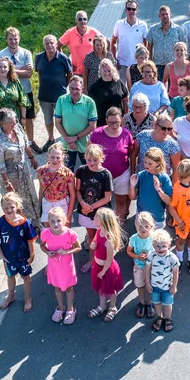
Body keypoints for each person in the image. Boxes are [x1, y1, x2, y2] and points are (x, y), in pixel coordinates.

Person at [0, 27, 41, 153]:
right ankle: (14, 143)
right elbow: (0, 73)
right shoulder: (0, 55)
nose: (13, 41)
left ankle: (31, 142)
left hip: (25, 90)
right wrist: (20, 70)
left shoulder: (26, 53)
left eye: (15, 39)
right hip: (9, 93)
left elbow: (29, 73)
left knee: (29, 118)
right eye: (10, 39)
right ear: (6, 40)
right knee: (11, 118)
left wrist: (11, 70)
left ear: (19, 38)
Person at [0, 108, 40, 225]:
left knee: (29, 196)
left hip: (24, 169)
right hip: (10, 175)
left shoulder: (18, 128)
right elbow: (0, 163)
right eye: (11, 122)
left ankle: (34, 223)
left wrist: (32, 158)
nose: (15, 123)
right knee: (15, 200)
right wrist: (6, 182)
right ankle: (17, 225)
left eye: (15, 120)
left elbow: (25, 144)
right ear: (3, 124)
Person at [0, 193, 36, 311]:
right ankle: (10, 297)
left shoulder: (25, 223)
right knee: (10, 276)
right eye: (6, 208)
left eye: (12, 207)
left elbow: (31, 240)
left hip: (23, 257)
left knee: (25, 277)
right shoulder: (0, 222)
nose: (9, 210)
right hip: (9, 258)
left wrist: (32, 255)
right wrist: (2, 256)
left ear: (17, 206)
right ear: (2, 208)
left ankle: (27, 298)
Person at [89, 107, 135, 221]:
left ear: (121, 121)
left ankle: (119, 225)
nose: (114, 125)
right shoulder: (97, 134)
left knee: (120, 202)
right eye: (111, 123)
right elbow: (89, 152)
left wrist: (132, 172)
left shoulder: (126, 134)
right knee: (100, 202)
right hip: (102, 175)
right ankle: (102, 225)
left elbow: (131, 153)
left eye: (117, 123)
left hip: (122, 174)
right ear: (106, 120)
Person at [75, 144, 114, 272]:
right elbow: (78, 190)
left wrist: (90, 207)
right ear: (85, 157)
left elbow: (107, 197)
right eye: (89, 159)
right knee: (91, 236)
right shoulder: (81, 170)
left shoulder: (105, 174)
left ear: (101, 158)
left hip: (101, 213)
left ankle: (107, 262)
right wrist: (82, 204)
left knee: (105, 237)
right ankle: (92, 260)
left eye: (95, 160)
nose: (91, 163)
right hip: (85, 210)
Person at [39, 207, 81, 324]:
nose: (55, 224)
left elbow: (78, 247)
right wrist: (48, 252)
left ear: (64, 220)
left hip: (67, 267)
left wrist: (67, 252)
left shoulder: (70, 234)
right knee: (57, 287)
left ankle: (70, 309)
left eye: (58, 221)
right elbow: (42, 245)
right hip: (54, 267)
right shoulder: (45, 233)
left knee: (68, 288)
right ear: (48, 221)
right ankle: (60, 307)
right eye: (52, 221)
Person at [87, 208, 125, 323]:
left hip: (107, 269)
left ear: (103, 221)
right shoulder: (99, 230)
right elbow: (95, 240)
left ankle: (112, 307)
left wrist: (103, 271)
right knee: (101, 288)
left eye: (96, 217)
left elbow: (109, 258)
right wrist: (93, 244)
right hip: (98, 266)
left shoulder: (109, 240)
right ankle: (102, 306)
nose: (94, 218)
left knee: (110, 289)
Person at [36, 34, 73, 151]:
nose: (49, 45)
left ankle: (64, 139)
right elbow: (38, 73)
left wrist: (64, 86)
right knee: (47, 119)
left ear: (56, 44)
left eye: (52, 42)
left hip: (60, 96)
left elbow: (70, 74)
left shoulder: (63, 58)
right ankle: (51, 138)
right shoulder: (38, 58)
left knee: (63, 119)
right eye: (47, 43)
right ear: (43, 45)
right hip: (44, 95)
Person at [167, 159, 190, 275]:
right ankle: (179, 260)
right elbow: (171, 208)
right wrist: (179, 222)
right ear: (189, 174)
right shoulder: (177, 189)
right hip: (182, 222)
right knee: (181, 241)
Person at [54, 76, 98, 169]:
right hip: (66, 144)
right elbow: (57, 122)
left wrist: (76, 138)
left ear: (82, 88)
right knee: (67, 171)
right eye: (72, 88)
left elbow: (92, 126)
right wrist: (67, 139)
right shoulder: (61, 100)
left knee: (88, 170)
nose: (74, 92)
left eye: (77, 89)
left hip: (85, 144)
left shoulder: (90, 103)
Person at [129, 148, 173, 229]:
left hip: (157, 218)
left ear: (158, 163)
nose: (146, 165)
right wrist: (132, 185)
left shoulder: (164, 178)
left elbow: (169, 200)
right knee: (142, 239)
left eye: (150, 163)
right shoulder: (141, 175)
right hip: (141, 216)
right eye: (145, 162)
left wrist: (158, 189)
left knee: (155, 241)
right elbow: (132, 197)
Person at [0, 57, 28, 134]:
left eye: (5, 67)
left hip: (14, 118)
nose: (2, 69)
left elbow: (23, 100)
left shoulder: (15, 82)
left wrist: (23, 118)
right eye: (0, 67)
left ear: (9, 68)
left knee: (16, 139)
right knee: (2, 142)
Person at [146, 229, 180, 333]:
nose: (161, 249)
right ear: (153, 245)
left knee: (167, 304)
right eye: (158, 246)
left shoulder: (172, 258)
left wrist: (174, 286)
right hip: (154, 286)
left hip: (167, 288)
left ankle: (168, 319)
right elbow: (147, 269)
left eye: (164, 246)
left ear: (169, 245)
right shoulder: (151, 255)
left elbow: (175, 273)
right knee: (156, 303)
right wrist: (147, 283)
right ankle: (159, 317)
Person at [131, 113, 181, 179]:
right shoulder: (142, 135)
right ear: (156, 125)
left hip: (162, 183)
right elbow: (134, 155)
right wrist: (132, 174)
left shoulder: (173, 145)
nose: (166, 132)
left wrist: (173, 187)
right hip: (142, 179)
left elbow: (176, 168)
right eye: (163, 128)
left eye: (169, 129)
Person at [37, 142, 76, 225]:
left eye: (58, 157)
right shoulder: (41, 171)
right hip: (46, 204)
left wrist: (69, 214)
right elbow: (41, 190)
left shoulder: (67, 173)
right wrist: (39, 206)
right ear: (47, 156)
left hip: (62, 204)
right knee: (48, 231)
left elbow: (72, 194)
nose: (55, 160)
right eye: (52, 157)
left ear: (63, 157)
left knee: (65, 230)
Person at [127, 212, 156, 319]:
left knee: (150, 286)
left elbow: (160, 250)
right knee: (140, 285)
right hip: (139, 267)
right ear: (136, 226)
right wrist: (137, 256)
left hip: (152, 268)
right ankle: (142, 302)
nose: (143, 229)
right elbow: (129, 251)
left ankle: (150, 302)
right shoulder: (134, 239)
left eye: (146, 226)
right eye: (140, 226)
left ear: (151, 226)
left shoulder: (153, 238)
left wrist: (151, 255)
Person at [146, 5, 187, 81]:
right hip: (158, 66)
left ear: (170, 15)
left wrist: (183, 62)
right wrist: (150, 62)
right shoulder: (153, 29)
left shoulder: (178, 29)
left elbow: (184, 46)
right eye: (162, 14)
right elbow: (149, 47)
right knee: (159, 89)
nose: (165, 16)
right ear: (159, 16)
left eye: (166, 14)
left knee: (174, 89)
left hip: (174, 66)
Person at [88, 58, 129, 127]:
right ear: (100, 72)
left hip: (118, 121)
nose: (107, 73)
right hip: (101, 123)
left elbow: (126, 98)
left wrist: (125, 115)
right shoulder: (94, 87)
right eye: (104, 71)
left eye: (109, 70)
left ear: (113, 70)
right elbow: (90, 105)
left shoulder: (119, 83)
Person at [112, 0, 148, 76]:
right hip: (122, 64)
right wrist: (114, 59)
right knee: (122, 88)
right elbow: (113, 42)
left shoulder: (143, 25)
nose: (131, 11)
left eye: (133, 9)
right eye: (129, 9)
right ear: (126, 10)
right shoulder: (119, 24)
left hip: (138, 64)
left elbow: (146, 43)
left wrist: (145, 59)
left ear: (136, 10)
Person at [59, 10, 99, 77]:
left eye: (84, 19)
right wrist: (67, 62)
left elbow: (106, 42)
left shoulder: (93, 32)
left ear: (87, 20)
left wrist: (101, 59)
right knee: (77, 87)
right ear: (76, 20)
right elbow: (58, 46)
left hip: (92, 70)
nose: (82, 21)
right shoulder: (70, 33)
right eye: (80, 19)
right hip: (77, 71)